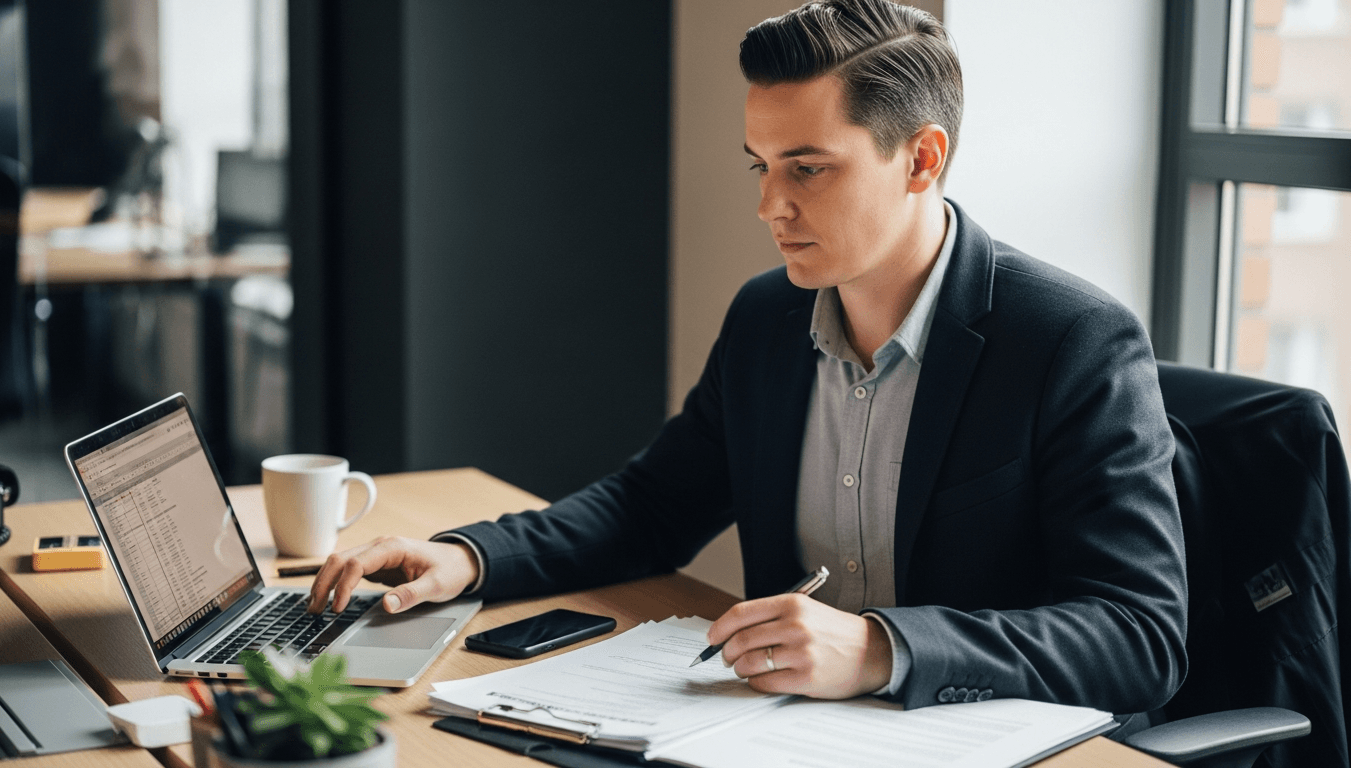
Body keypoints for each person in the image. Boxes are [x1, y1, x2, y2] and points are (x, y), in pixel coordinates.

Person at [308, 0, 1187, 715]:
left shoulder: (1072, 340)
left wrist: (884, 648)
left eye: (807, 169)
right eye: (759, 166)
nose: (770, 206)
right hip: (779, 732)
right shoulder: (770, 318)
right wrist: (470, 558)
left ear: (922, 159)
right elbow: (652, 507)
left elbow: (1140, 635)